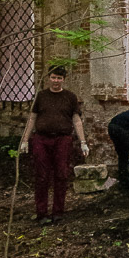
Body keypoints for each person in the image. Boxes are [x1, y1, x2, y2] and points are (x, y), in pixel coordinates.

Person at [19, 66, 88, 224]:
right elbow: (32, 118)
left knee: (61, 174)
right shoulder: (41, 96)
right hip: (41, 139)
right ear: (48, 78)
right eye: (53, 77)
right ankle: (41, 213)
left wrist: (83, 142)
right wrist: (25, 140)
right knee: (42, 176)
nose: (56, 81)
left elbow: (76, 120)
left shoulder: (70, 97)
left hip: (63, 139)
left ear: (64, 80)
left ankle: (58, 212)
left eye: (59, 78)